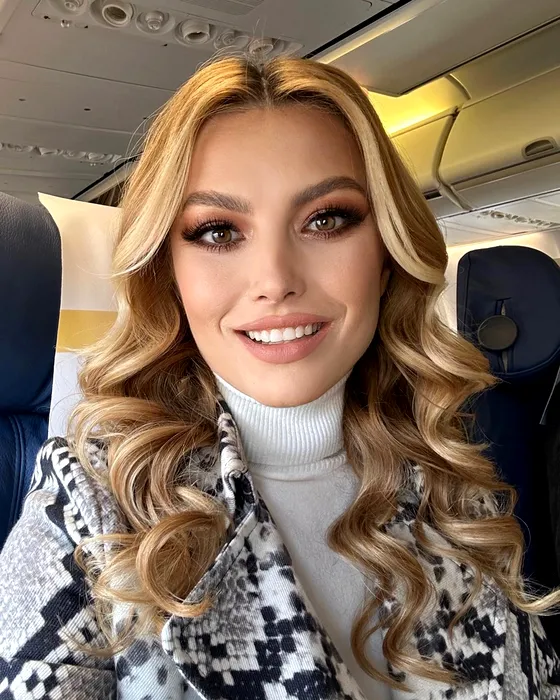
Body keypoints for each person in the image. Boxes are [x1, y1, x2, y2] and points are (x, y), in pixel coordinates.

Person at [0, 55, 558, 700]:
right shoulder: (93, 502)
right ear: (168, 274)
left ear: (386, 256)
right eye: (217, 231)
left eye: (326, 220)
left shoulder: (453, 480)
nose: (275, 280)